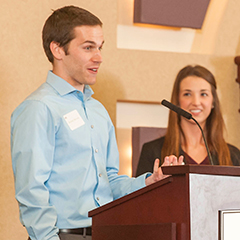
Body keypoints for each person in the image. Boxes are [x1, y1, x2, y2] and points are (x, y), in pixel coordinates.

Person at [10, 6, 183, 240]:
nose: (99, 57)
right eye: (88, 47)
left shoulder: (97, 111)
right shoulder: (39, 108)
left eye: (100, 47)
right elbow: (32, 193)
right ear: (57, 49)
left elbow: (108, 181)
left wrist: (149, 182)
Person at [136, 65, 240, 176]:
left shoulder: (233, 155)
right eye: (187, 94)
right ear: (177, 101)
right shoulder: (152, 151)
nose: (196, 102)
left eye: (203, 94)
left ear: (213, 102)